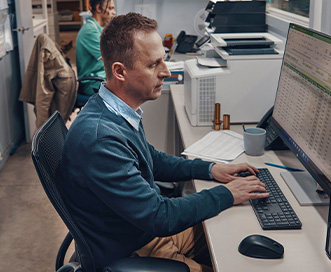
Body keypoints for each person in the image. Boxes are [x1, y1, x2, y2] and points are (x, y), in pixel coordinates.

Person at [61, 12, 269, 272]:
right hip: (133, 250)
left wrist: (209, 169)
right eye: (153, 65)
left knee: (235, 234)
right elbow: (159, 216)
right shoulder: (100, 138)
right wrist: (228, 193)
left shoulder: (116, 110)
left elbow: (152, 160)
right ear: (119, 72)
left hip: (142, 232)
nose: (166, 72)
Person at [75, 0, 115, 95]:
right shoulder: (90, 31)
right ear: (98, 8)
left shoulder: (97, 28)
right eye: (110, 8)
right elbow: (111, 57)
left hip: (101, 78)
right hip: (92, 83)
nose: (114, 12)